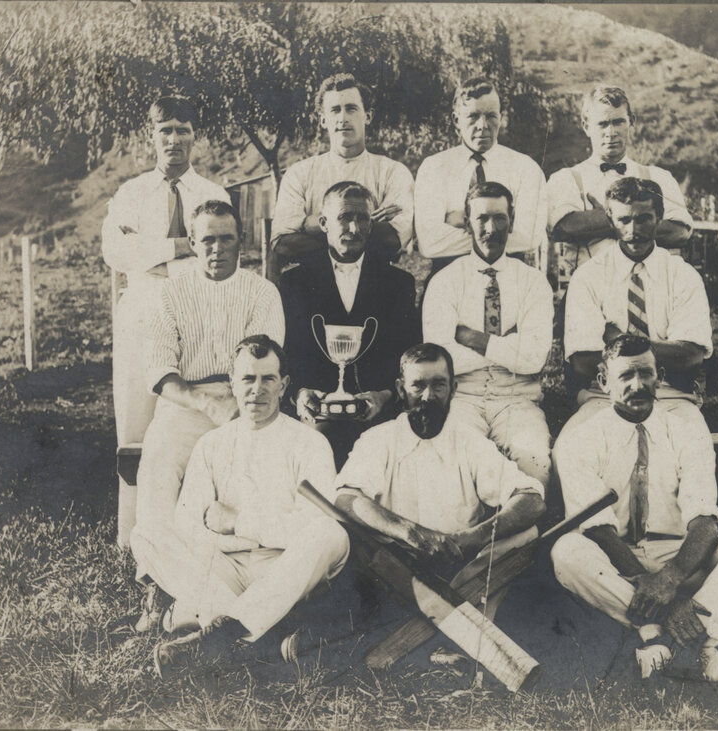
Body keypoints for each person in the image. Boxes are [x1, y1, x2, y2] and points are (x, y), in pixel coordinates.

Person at [551, 334, 718, 682]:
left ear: (660, 375)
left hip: (684, 557)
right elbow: (599, 531)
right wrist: (658, 590)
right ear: (603, 382)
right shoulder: (580, 439)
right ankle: (686, 641)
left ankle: (673, 641)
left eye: (646, 374)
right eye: (625, 377)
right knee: (567, 553)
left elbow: (704, 522)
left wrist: (671, 578)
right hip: (620, 564)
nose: (638, 385)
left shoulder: (687, 431)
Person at [135, 336, 350, 678]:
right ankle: (254, 632)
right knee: (146, 534)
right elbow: (190, 522)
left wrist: (239, 523)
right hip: (226, 569)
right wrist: (229, 546)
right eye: (248, 379)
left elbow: (310, 526)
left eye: (268, 379)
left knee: (329, 533)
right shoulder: (211, 443)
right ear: (232, 384)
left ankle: (216, 631)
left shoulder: (310, 443)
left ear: (284, 385)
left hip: (283, 568)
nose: (257, 389)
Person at [131, 200, 285, 630]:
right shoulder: (171, 292)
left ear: (243, 242)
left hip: (247, 400)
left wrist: (236, 405)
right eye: (208, 240)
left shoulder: (262, 291)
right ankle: (158, 589)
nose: (218, 249)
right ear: (193, 243)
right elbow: (161, 371)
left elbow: (264, 365)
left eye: (227, 239)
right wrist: (206, 404)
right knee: (158, 465)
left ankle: (230, 587)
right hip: (185, 403)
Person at [335, 343, 545, 637]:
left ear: (454, 388)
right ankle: (462, 629)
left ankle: (451, 625)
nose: (428, 396)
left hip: (461, 564)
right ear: (400, 388)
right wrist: (410, 533)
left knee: (526, 534)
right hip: (398, 568)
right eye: (418, 385)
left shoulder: (469, 440)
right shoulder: (378, 439)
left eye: (439, 385)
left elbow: (531, 500)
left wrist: (473, 538)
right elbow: (346, 499)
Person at [101, 96, 230, 454]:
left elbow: (218, 258)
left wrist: (148, 254)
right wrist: (182, 246)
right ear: (151, 135)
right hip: (141, 312)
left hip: (197, 312)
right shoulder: (132, 193)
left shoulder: (213, 195)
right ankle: (131, 512)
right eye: (165, 131)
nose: (173, 140)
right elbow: (116, 251)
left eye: (182, 131)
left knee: (191, 422)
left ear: (195, 135)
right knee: (134, 424)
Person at [279, 181, 421, 467]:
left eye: (362, 219)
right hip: (316, 411)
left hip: (379, 410)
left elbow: (408, 351)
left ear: (371, 225)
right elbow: (288, 351)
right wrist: (299, 393)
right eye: (345, 217)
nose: (354, 229)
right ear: (324, 223)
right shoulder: (294, 282)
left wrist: (386, 395)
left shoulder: (398, 283)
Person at [422, 182, 554, 488]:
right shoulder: (445, 282)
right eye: (481, 218)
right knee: (451, 464)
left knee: (535, 463)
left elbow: (534, 358)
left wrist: (472, 337)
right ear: (468, 221)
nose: (491, 229)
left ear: (512, 219)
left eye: (500, 218)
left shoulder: (533, 282)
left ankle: (525, 535)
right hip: (462, 397)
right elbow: (440, 358)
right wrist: (509, 345)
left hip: (518, 398)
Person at [562, 176, 711, 439]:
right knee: (568, 452)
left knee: (695, 454)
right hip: (604, 397)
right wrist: (660, 350)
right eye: (624, 220)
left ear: (660, 217)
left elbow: (690, 356)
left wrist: (619, 341)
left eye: (644, 218)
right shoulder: (589, 276)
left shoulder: (682, 276)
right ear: (610, 221)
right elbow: (583, 363)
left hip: (670, 397)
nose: (633, 231)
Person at [272, 73, 414, 266]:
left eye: (351, 109)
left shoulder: (392, 172)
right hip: (315, 284)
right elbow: (283, 245)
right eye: (335, 110)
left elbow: (392, 240)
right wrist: (367, 223)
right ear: (323, 120)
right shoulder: (300, 173)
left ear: (368, 116)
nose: (343, 118)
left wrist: (309, 224)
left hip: (373, 282)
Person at [547, 85, 692, 270]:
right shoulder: (565, 179)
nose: (611, 132)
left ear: (631, 122)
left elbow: (679, 232)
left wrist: (601, 219)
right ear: (586, 126)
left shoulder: (659, 177)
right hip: (589, 289)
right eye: (603, 124)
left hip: (646, 288)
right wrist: (638, 219)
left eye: (618, 122)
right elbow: (565, 227)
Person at [415, 77, 548, 275]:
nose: (483, 125)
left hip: (508, 281)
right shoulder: (435, 168)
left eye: (491, 116)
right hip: (448, 281)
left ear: (501, 118)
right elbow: (429, 243)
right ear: (456, 120)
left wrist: (459, 220)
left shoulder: (525, 168)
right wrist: (500, 227)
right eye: (473, 116)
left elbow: (528, 238)